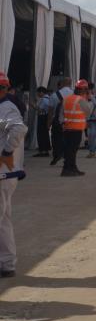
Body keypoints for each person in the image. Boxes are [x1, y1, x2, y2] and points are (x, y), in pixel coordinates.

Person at [0, 72, 28, 278]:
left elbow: (19, 129)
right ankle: (7, 263)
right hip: (6, 175)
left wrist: (6, 153)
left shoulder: (6, 107)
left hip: (3, 174)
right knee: (4, 220)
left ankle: (7, 262)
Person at [61, 80, 90, 177]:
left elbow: (61, 114)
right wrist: (87, 99)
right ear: (83, 89)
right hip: (76, 129)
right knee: (72, 151)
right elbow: (88, 111)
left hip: (67, 128)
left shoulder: (67, 99)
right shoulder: (81, 100)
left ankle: (72, 168)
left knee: (69, 150)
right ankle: (67, 169)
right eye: (86, 89)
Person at [32, 87, 54, 158]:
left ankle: (42, 150)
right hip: (46, 117)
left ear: (41, 92)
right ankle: (46, 150)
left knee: (41, 134)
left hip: (42, 117)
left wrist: (33, 105)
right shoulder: (49, 99)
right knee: (45, 134)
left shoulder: (43, 100)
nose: (37, 94)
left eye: (38, 93)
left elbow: (40, 110)